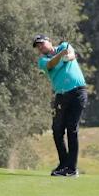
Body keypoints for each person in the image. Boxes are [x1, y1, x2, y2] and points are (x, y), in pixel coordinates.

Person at [31, 34, 87, 176]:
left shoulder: (64, 46)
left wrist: (67, 54)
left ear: (49, 41)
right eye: (38, 46)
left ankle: (71, 168)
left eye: (42, 43)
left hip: (78, 92)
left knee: (72, 129)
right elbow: (51, 64)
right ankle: (64, 164)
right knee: (57, 130)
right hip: (61, 96)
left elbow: (71, 55)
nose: (40, 47)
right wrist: (62, 56)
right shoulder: (43, 61)